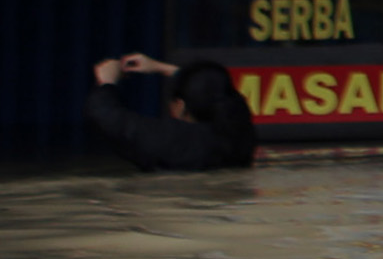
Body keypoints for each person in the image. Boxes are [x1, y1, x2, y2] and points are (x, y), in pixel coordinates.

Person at [86, 53, 257, 173]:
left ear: (180, 106)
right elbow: (222, 92)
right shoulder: (239, 132)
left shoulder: (178, 142)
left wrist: (107, 82)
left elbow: (110, 118)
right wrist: (161, 68)